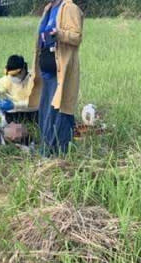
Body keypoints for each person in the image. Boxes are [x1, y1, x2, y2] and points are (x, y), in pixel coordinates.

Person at [28, 0, 83, 156]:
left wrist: (59, 34)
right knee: (45, 113)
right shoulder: (48, 9)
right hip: (46, 71)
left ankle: (59, 154)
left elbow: (77, 36)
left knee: (59, 113)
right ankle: (46, 150)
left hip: (60, 72)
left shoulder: (70, 8)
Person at [0, 55, 37, 125]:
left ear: (23, 70)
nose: (12, 78)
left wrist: (15, 105)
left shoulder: (34, 79)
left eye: (14, 75)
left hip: (32, 112)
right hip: (14, 113)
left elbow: (35, 102)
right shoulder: (8, 79)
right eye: (11, 75)